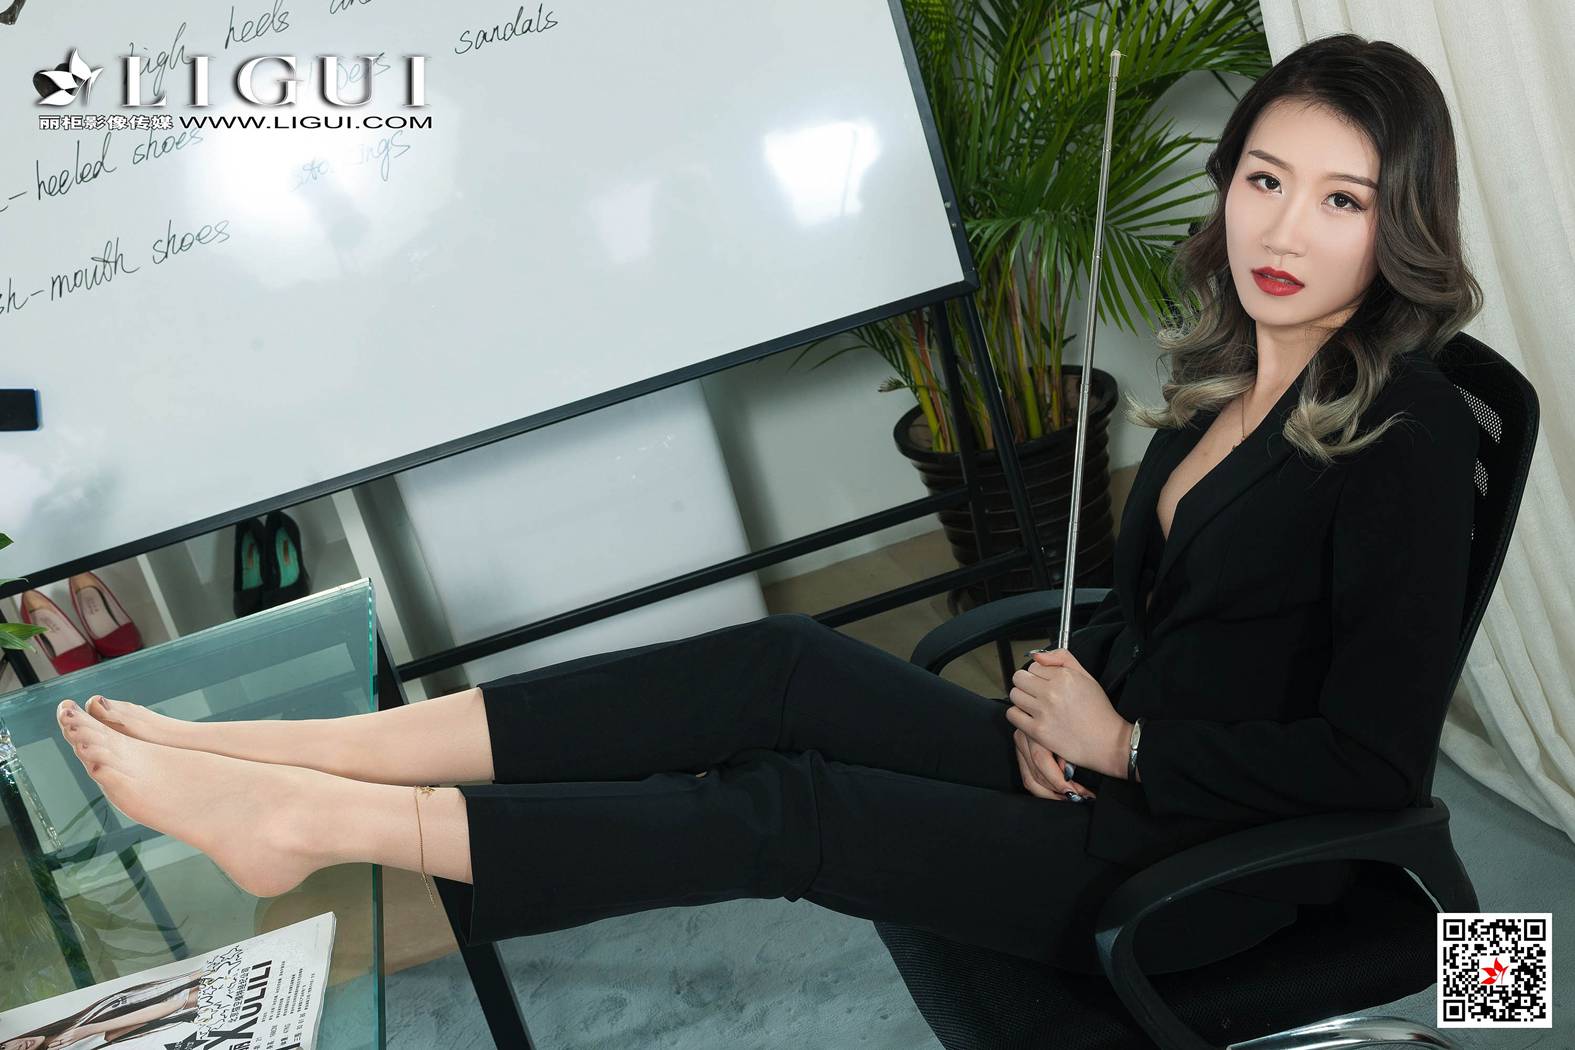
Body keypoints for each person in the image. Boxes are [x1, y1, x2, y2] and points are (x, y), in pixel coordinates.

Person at [49, 31, 1481, 978]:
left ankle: (316, 822)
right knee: (779, 663)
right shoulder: (1233, 377)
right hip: (1094, 771)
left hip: (1193, 860)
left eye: (1341, 201)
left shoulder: (1405, 433)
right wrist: (1074, 697)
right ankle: (313, 752)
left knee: (786, 812)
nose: (1281, 229)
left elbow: (1372, 763)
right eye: (1263, 179)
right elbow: (1192, 622)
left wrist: (1130, 739)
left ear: (1399, 224)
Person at [0, 968, 205, 1049]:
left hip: (181, 981)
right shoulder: (79, 1040)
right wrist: (89, 1030)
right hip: (188, 998)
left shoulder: (66, 1025)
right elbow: (169, 1008)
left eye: (3, 1048)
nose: (16, 1048)